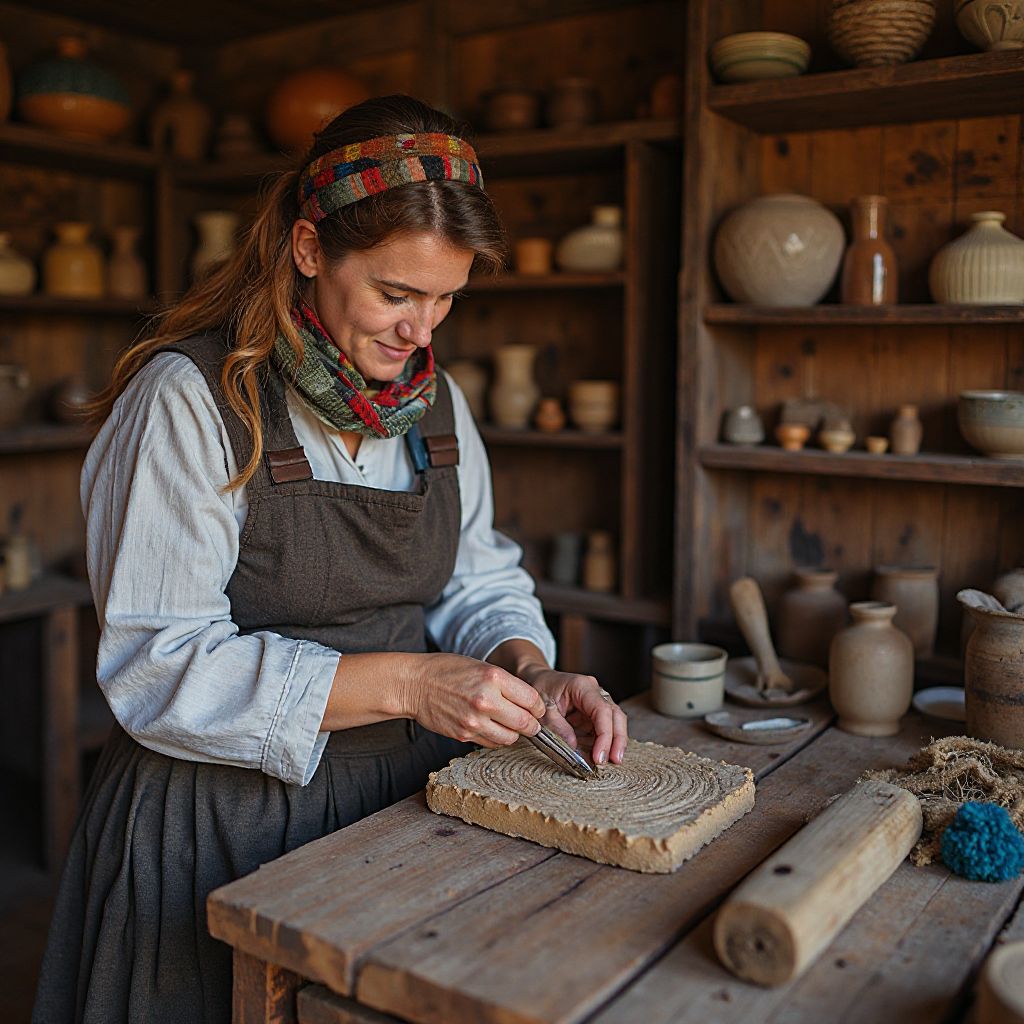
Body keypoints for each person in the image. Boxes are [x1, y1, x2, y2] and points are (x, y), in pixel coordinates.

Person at [32, 94, 628, 1024]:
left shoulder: (437, 408)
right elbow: (158, 661)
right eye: (395, 293)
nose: (421, 331)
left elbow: (475, 579)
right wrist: (410, 684)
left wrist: (530, 669)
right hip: (219, 817)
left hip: (404, 804)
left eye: (445, 299)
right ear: (309, 251)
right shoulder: (190, 402)